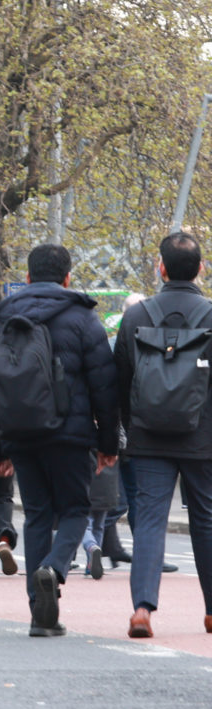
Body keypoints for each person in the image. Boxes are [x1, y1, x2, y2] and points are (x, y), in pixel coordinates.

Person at [0, 243, 118, 637]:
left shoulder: (2, 320)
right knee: (76, 509)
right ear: (67, 278)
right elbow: (104, 387)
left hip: (20, 434)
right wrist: (109, 443)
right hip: (70, 435)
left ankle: (39, 614)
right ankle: (55, 568)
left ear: (26, 278)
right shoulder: (82, 318)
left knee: (38, 514)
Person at [113, 232, 212, 639]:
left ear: (161, 268)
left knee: (150, 521)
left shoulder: (137, 317)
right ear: (202, 269)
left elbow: (118, 380)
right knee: (206, 522)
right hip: (203, 438)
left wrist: (126, 426)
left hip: (149, 437)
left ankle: (142, 609)